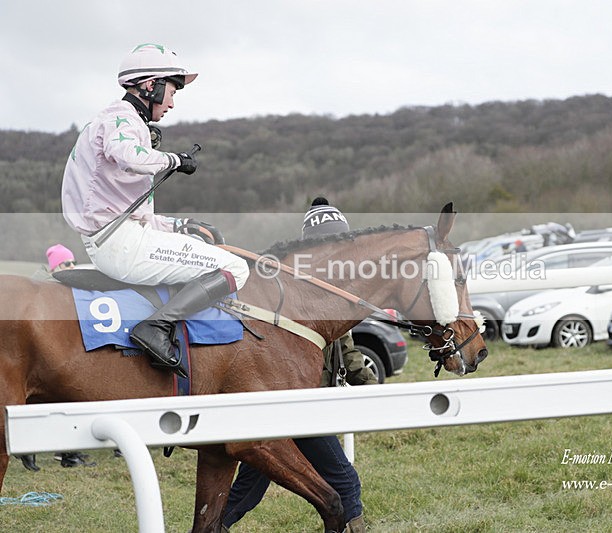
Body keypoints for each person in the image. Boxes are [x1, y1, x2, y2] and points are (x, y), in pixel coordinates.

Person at [61, 43, 249, 378]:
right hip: (120, 245)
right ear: (151, 86)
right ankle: (156, 327)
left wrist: (181, 225)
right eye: (172, 92)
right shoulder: (122, 118)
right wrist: (175, 160)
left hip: (119, 237)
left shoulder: (119, 119)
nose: (172, 103)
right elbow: (129, 157)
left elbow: (134, 213)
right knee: (236, 267)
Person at [221, 198, 376, 532]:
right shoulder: (307, 288)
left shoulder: (313, 284)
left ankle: (212, 526)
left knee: (249, 486)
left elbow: (345, 347)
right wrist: (368, 383)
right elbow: (342, 348)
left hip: (279, 398)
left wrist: (366, 381)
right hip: (298, 400)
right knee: (345, 482)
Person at [17, 245, 96, 471]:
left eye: (73, 263)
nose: (71, 267)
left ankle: (68, 453)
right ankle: (29, 447)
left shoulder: (60, 286)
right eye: (66, 263)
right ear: (54, 267)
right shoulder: (43, 289)